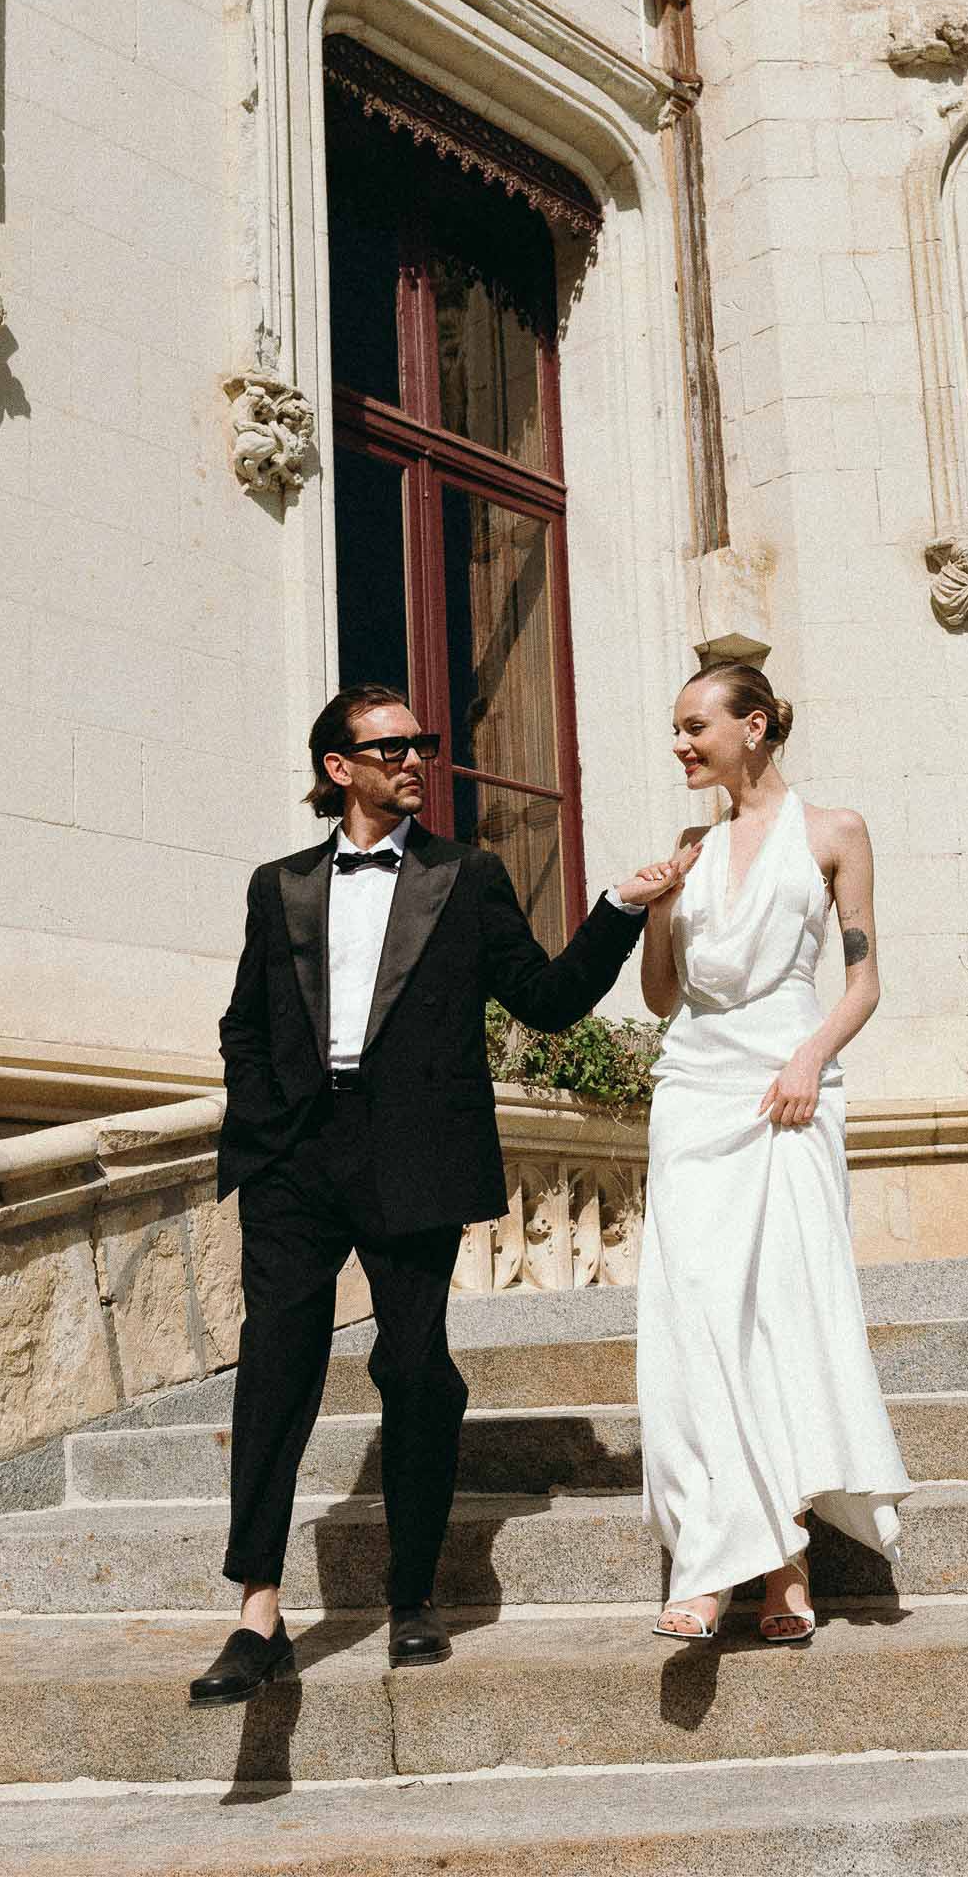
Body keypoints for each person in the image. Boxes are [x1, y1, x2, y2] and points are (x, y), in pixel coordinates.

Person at [190, 684, 663, 1706]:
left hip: (413, 1152)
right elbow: (244, 1021)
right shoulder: (279, 885)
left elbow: (545, 1001)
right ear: (338, 768)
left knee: (412, 1366)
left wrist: (621, 908)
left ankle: (412, 1594)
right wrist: (265, 1126)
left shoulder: (465, 876)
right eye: (391, 746)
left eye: (423, 744)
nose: (415, 759)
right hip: (295, 1158)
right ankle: (257, 1615)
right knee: (273, 1368)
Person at [631, 662, 909, 1643]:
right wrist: (657, 909)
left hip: (791, 1091)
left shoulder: (835, 832)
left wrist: (808, 1058)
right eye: (675, 727)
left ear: (753, 726)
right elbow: (661, 997)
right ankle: (712, 1558)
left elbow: (863, 981)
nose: (679, 742)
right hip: (694, 1094)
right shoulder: (690, 848)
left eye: (693, 724)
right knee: (697, 1320)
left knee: (781, 1315)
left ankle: (784, 1562)